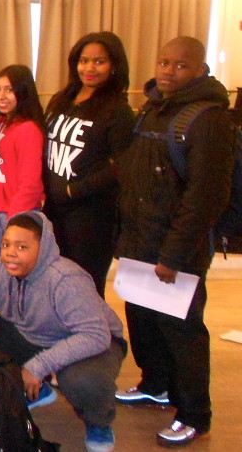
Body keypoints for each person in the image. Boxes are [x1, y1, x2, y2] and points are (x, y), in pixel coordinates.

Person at [114, 36, 234, 447]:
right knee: (143, 320)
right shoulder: (153, 107)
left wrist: (173, 255)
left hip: (175, 251)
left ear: (199, 69)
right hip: (139, 241)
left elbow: (206, 197)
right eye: (163, 62)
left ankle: (194, 413)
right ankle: (156, 384)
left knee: (181, 332)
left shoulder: (210, 120)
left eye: (180, 65)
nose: (168, 71)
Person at [0, 212, 126, 452]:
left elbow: (95, 335)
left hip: (91, 341)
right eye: (6, 244)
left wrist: (37, 367)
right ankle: (38, 391)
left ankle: (98, 422)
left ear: (43, 247)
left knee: (84, 382)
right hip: (33, 334)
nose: (10, 252)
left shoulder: (65, 279)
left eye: (22, 246)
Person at [42, 32, 134, 299]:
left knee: (85, 289)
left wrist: (75, 191)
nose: (89, 68)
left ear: (114, 65)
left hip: (91, 217)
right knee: (54, 283)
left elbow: (121, 167)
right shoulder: (62, 99)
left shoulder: (117, 110)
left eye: (99, 61)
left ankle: (95, 340)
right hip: (54, 210)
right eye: (84, 61)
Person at [0, 65, 45, 257]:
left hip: (15, 214)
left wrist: (14, 221)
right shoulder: (1, 124)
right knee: (2, 273)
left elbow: (30, 182)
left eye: (9, 90)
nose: (1, 96)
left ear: (23, 92)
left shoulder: (28, 129)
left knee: (17, 274)